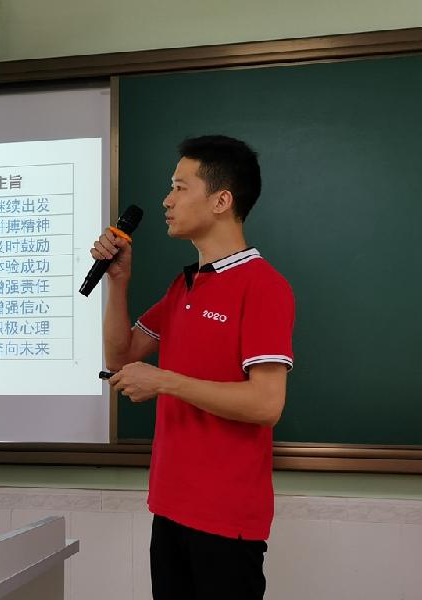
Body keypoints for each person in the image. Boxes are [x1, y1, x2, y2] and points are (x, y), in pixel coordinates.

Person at [91, 135, 295, 599]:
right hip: (169, 507)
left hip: (225, 520)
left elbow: (267, 404)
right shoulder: (183, 287)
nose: (167, 200)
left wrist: (165, 381)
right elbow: (121, 358)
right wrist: (118, 282)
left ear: (222, 201)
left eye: (180, 188)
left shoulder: (263, 286)